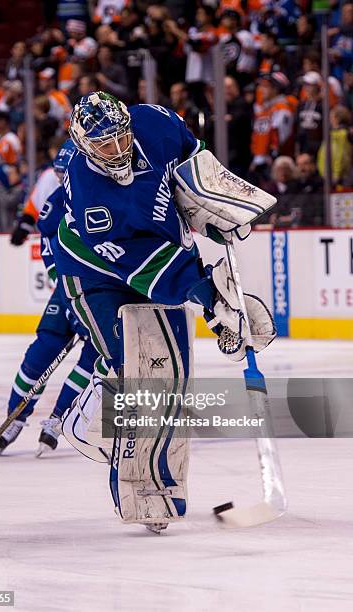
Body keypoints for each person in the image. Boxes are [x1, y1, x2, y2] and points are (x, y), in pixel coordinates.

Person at [51, 92, 274, 530]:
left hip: (161, 252)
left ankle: (163, 486)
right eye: (103, 145)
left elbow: (195, 170)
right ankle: (89, 427)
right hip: (96, 273)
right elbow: (141, 263)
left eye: (119, 138)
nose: (115, 150)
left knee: (172, 381)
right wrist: (210, 296)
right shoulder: (91, 193)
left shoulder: (154, 122)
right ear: (82, 144)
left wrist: (217, 211)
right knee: (137, 370)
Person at [0, 141, 99, 456]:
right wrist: (73, 297)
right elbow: (52, 257)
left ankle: (57, 419)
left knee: (94, 357)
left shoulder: (103, 197)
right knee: (41, 352)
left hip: (104, 294)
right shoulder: (55, 203)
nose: (65, 181)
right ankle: (14, 419)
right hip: (68, 290)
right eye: (60, 174)